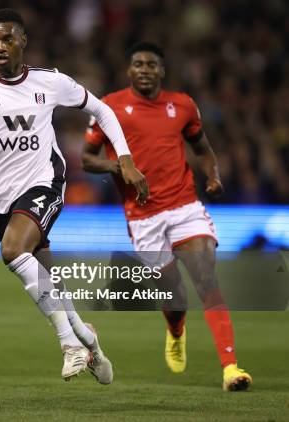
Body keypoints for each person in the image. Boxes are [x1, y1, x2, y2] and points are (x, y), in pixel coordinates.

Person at [0, 8, 148, 382]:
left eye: (8, 39)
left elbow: (103, 111)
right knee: (49, 282)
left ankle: (70, 345)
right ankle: (89, 341)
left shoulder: (51, 82)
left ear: (23, 42)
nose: (0, 46)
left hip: (45, 182)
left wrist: (124, 158)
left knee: (13, 251)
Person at [82, 41, 252, 391]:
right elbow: (87, 158)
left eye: (151, 64)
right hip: (143, 217)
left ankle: (231, 368)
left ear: (162, 71)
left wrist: (213, 174)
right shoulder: (109, 107)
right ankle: (176, 329)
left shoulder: (183, 105)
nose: (144, 69)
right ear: (129, 71)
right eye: (138, 64)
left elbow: (202, 148)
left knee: (206, 281)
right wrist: (119, 166)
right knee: (173, 296)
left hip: (185, 206)